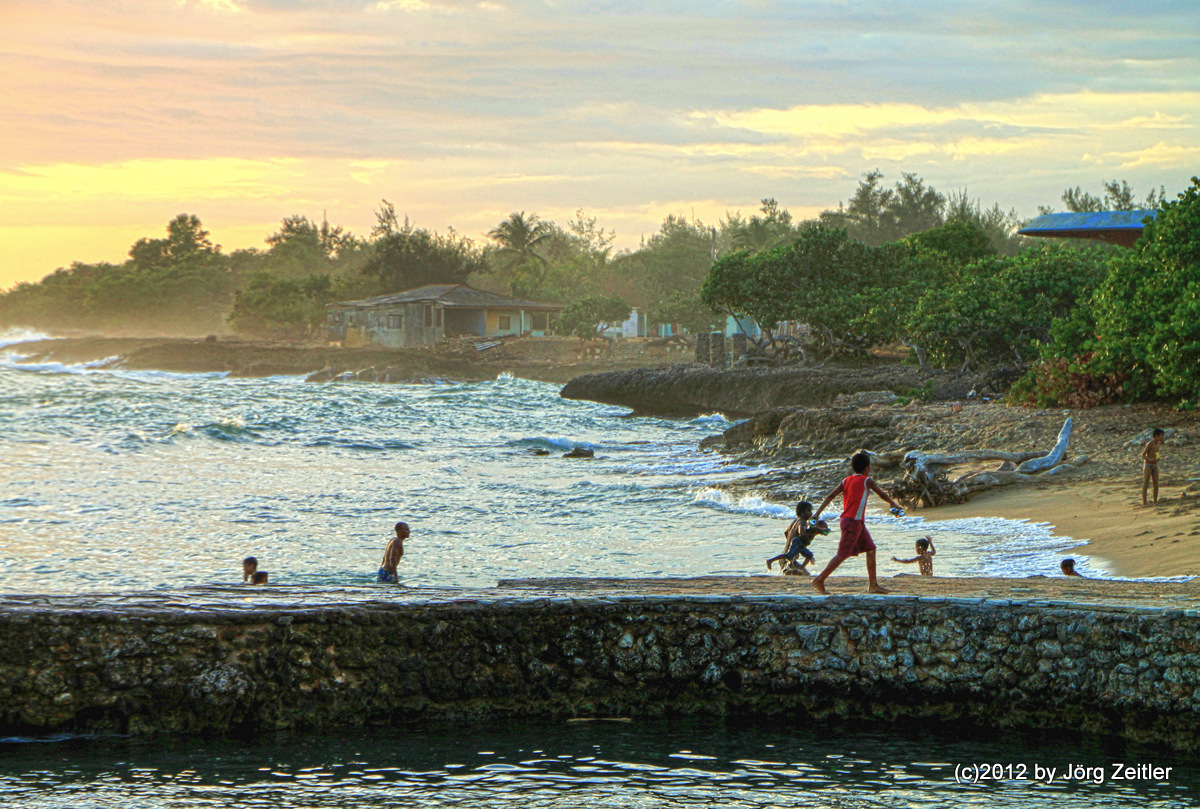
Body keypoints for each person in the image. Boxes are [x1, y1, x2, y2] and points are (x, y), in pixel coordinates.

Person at [811, 450, 905, 595]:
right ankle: (819, 579)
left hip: (853, 522)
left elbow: (831, 496)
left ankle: (873, 585)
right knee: (842, 554)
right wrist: (894, 505)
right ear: (867, 468)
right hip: (853, 522)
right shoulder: (867, 480)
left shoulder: (846, 480)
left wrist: (817, 513)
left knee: (871, 549)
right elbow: (882, 494)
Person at [766, 501, 829, 575]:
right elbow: (801, 533)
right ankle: (770, 561)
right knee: (806, 575)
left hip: (784, 558)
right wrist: (806, 541)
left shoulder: (794, 522)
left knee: (790, 577)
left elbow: (786, 532)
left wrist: (794, 546)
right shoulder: (803, 522)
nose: (811, 513)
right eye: (809, 511)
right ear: (802, 513)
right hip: (789, 560)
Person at [1142, 428, 1166, 506]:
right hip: (1148, 464)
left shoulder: (1157, 444)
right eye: (1161, 436)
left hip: (1154, 465)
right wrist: (1149, 459)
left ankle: (1155, 501)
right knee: (1146, 482)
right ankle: (1144, 502)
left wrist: (1157, 458)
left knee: (1156, 483)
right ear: (1156, 436)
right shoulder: (1150, 444)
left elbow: (1157, 453)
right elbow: (1143, 455)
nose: (1162, 438)